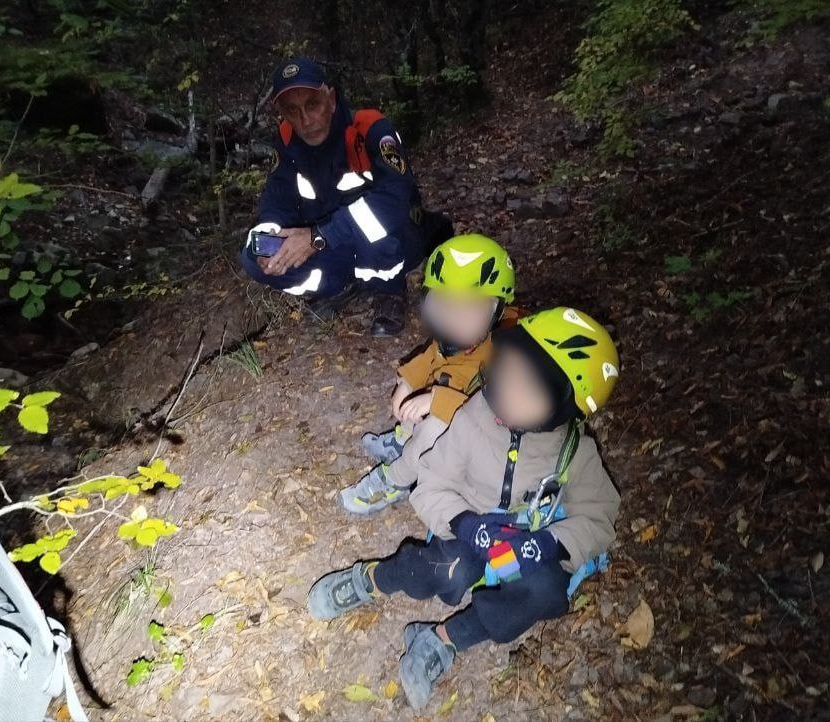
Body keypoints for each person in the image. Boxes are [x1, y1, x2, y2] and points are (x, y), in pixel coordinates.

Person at [307, 307, 622, 710]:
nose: (510, 390)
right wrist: (466, 523)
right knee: (451, 567)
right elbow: (432, 482)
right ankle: (369, 580)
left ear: (566, 410)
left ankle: (442, 642)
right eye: (510, 371)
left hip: (524, 537)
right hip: (464, 524)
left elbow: (600, 517)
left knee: (547, 591)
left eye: (532, 389)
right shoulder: (473, 417)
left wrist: (549, 545)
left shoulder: (574, 452)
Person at [240, 57, 433, 337]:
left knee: (376, 224)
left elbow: (395, 201)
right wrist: (269, 239)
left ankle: (388, 290)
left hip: (394, 238)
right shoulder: (286, 143)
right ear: (281, 113)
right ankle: (339, 287)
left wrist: (318, 236)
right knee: (252, 256)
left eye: (312, 104)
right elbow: (275, 200)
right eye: (293, 111)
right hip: (333, 244)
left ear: (330, 99)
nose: (305, 121)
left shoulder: (370, 129)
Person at [340, 234, 520, 514]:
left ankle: (396, 480)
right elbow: (431, 356)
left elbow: (488, 414)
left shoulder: (508, 352)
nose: (455, 318)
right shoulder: (459, 336)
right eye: (444, 305)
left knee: (434, 426)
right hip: (455, 421)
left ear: (497, 309)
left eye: (471, 308)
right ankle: (403, 440)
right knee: (421, 402)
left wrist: (435, 400)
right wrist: (408, 380)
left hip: (482, 445)